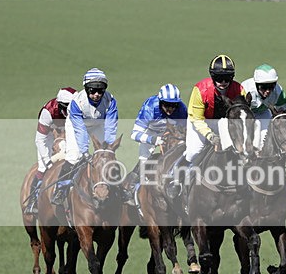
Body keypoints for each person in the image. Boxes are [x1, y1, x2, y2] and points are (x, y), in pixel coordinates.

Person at [166, 54, 245, 197]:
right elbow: (196, 118)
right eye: (218, 78)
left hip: (224, 123)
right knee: (194, 152)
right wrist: (209, 135)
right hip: (200, 121)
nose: (223, 82)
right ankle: (175, 178)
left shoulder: (240, 90)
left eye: (227, 78)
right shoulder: (201, 90)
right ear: (212, 77)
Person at [51, 68, 118, 205]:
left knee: (106, 157)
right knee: (74, 156)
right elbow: (80, 129)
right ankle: (60, 188)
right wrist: (85, 151)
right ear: (86, 89)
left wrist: (108, 147)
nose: (97, 94)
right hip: (77, 125)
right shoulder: (77, 102)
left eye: (100, 90)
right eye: (92, 90)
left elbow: (111, 125)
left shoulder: (110, 101)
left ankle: (118, 189)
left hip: (98, 124)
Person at [122, 84, 188, 205]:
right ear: (160, 102)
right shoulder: (150, 106)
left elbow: (185, 131)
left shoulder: (182, 109)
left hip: (172, 134)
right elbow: (134, 134)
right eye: (167, 104)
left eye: (173, 105)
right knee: (145, 159)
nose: (170, 109)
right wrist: (154, 140)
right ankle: (131, 189)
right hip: (151, 132)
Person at [25, 86, 76, 213]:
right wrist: (47, 161)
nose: (71, 110)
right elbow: (40, 140)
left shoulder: (78, 108)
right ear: (60, 105)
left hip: (71, 132)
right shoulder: (48, 112)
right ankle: (33, 200)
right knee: (43, 167)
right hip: (48, 136)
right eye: (67, 107)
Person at [240, 63, 286, 147]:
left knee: (264, 139)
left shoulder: (278, 91)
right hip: (246, 115)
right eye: (264, 87)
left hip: (263, 113)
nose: (268, 91)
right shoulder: (245, 89)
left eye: (271, 86)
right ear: (256, 84)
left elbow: (282, 114)